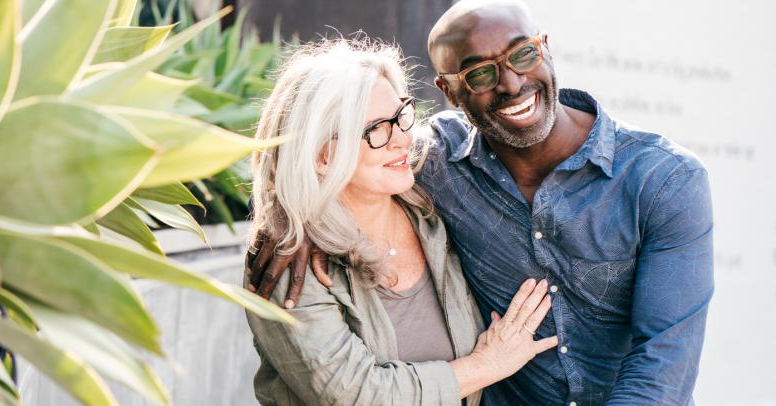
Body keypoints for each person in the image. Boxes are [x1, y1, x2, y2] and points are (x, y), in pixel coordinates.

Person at [246, 1, 714, 405]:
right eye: (481, 73)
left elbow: (663, 363)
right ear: (448, 91)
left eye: (523, 54)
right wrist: (292, 220)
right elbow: (330, 163)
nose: (511, 84)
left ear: (545, 48)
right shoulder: (434, 165)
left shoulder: (663, 181)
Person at [244, 38, 559, 406]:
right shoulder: (290, 269)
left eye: (401, 115)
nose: (403, 139)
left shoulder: (431, 202)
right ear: (321, 156)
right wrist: (487, 364)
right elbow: (360, 395)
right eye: (376, 129)